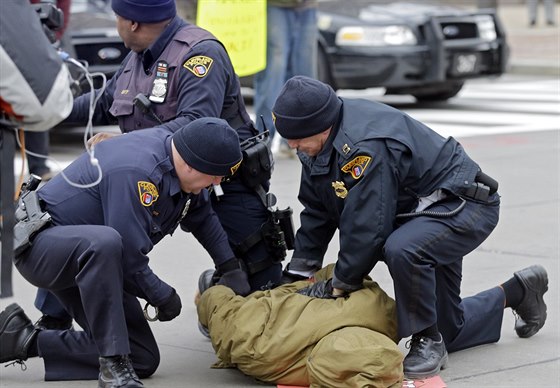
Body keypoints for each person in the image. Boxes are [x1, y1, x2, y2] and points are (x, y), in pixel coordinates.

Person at [271, 76, 549, 379]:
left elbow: (368, 226)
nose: (293, 146)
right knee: (449, 329)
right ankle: (519, 291)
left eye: (298, 139)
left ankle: (426, 339)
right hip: (420, 212)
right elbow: (319, 207)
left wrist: (340, 283)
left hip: (462, 205)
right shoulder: (318, 141)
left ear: (322, 125)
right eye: (288, 138)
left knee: (402, 248)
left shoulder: (364, 146)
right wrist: (301, 268)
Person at [34, 0, 287, 331]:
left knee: (260, 284)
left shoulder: (199, 55)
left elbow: (196, 125)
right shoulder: (140, 57)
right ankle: (53, 319)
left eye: (118, 19)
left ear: (133, 23)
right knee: (79, 216)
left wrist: (126, 144)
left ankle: (214, 284)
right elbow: (103, 102)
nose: (117, 26)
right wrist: (42, 113)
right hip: (169, 174)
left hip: (225, 182)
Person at [0, 118, 248, 386]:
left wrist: (230, 266)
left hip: (91, 262)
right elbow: (129, 256)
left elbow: (201, 215)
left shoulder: (182, 157)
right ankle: (112, 366)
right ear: (190, 164)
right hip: (42, 248)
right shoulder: (138, 172)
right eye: (215, 176)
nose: (217, 182)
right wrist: (162, 296)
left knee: (142, 357)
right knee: (107, 242)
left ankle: (22, 339)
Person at [197, 264, 402, 387]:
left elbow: (234, 328)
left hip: (285, 312)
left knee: (219, 303)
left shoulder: (385, 317)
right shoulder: (383, 316)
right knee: (229, 314)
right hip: (295, 309)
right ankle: (217, 292)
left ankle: (215, 290)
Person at [253, 0, 318, 156]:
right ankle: (262, 141)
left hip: (307, 5)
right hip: (275, 5)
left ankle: (300, 137)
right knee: (272, 76)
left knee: (305, 76)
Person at [25, 0, 74, 181]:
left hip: (41, 42)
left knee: (37, 101)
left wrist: (51, 36)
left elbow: (63, 9)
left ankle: (39, 166)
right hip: (19, 40)